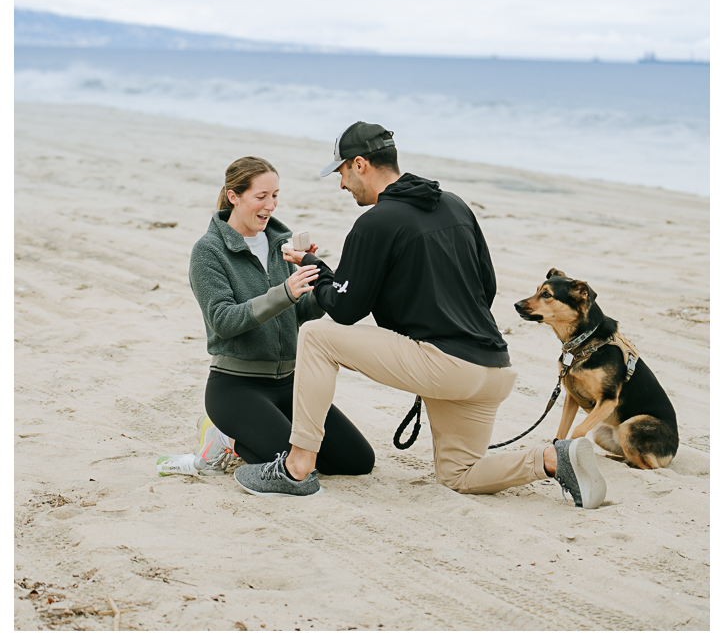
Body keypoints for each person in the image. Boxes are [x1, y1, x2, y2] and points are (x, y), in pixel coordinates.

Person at [235, 123, 608, 510]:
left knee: (315, 335)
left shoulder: (375, 222)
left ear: (359, 164)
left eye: (342, 172)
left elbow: (345, 310)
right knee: (457, 475)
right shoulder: (455, 204)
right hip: (494, 368)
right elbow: (487, 287)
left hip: (446, 366)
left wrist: (318, 270)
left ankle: (296, 467)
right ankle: (552, 458)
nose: (342, 185)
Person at [189, 155, 374, 478]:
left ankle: (247, 436)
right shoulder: (209, 251)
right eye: (261, 197)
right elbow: (223, 320)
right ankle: (226, 437)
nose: (270, 205)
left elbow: (297, 313)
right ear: (234, 196)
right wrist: (285, 291)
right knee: (300, 467)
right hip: (237, 388)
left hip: (290, 383)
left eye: (275, 196)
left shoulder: (278, 244)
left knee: (357, 462)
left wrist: (315, 285)